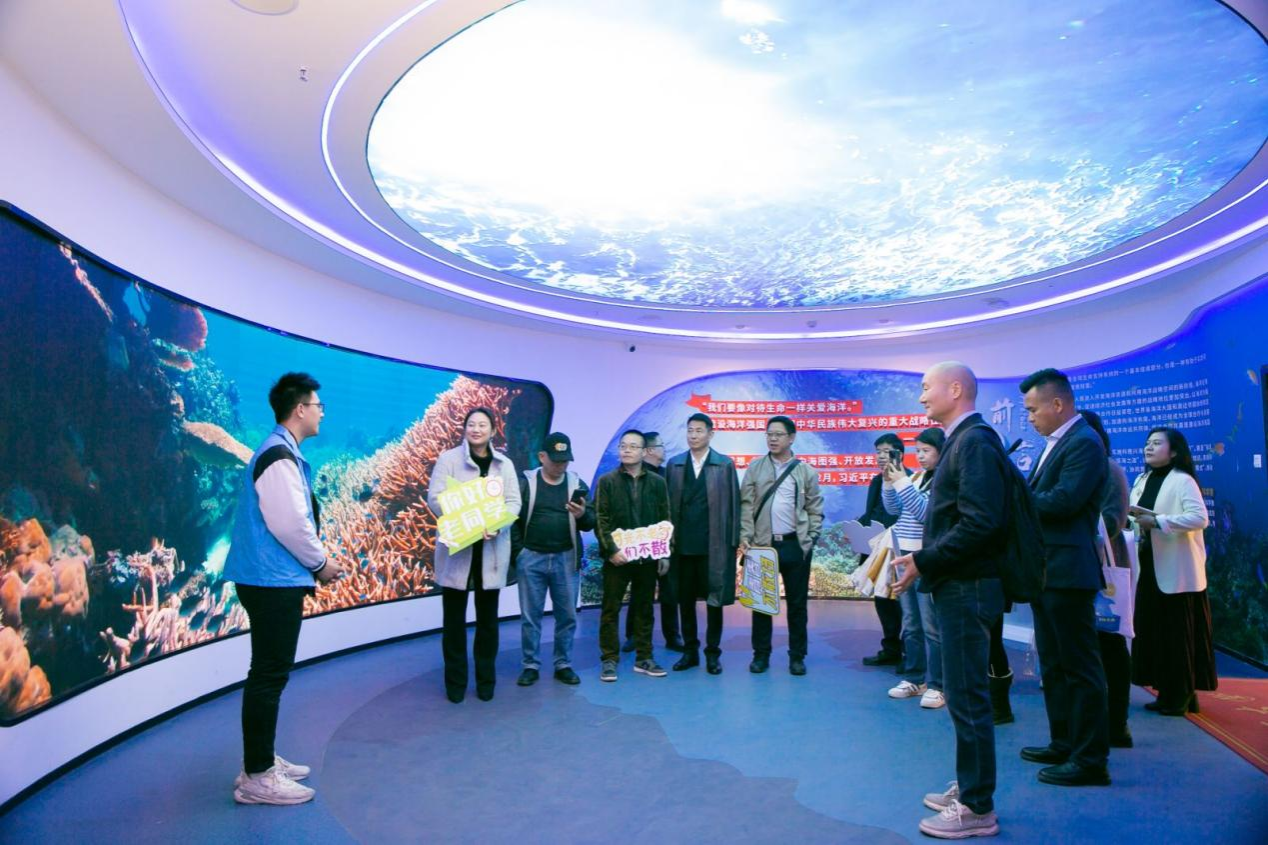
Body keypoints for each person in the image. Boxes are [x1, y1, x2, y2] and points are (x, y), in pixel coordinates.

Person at [891, 362, 1007, 839]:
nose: (921, 397)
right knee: (961, 695)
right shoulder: (964, 440)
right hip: (959, 583)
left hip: (968, 586)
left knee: (968, 696)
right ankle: (972, 786)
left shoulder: (974, 442)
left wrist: (925, 559)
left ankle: (978, 807)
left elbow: (981, 523)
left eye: (926, 388)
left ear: (955, 389)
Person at [224, 372, 344, 806]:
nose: (322, 413)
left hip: (269, 579)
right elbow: (290, 523)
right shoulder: (278, 456)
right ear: (299, 409)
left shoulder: (281, 451)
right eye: (318, 405)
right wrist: (321, 564)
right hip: (270, 581)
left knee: (268, 673)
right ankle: (258, 777)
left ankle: (260, 761)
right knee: (269, 676)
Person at [1017, 368, 1111, 788]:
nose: (1030, 418)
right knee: (1054, 665)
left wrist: (1015, 502)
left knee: (1080, 667)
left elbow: (1065, 500)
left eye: (1033, 409)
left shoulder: (1084, 442)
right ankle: (1064, 741)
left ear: (1057, 404)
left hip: (1069, 571)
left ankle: (1090, 760)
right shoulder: (1055, 444)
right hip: (1047, 570)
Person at [428, 407, 521, 704]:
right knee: (453, 622)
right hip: (457, 549)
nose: (476, 429)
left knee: (488, 623)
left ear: (493, 431)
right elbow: (434, 498)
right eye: (471, 424)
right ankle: (455, 683)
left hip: (491, 551)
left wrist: (498, 523)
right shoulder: (448, 459)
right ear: (464, 428)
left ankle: (485, 681)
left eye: (483, 425)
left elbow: (514, 502)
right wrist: (463, 515)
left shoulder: (504, 464)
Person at [1129, 426, 1217, 715]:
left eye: (1157, 443)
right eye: (1147, 443)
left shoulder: (1183, 480)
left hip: (1178, 571)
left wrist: (1159, 522)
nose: (1149, 448)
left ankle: (1180, 694)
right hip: (1149, 567)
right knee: (1157, 632)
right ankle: (1171, 691)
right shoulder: (1141, 479)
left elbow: (1199, 518)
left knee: (1178, 635)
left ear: (1175, 451)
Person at [738, 415, 824, 676]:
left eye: (778, 434)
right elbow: (746, 506)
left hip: (794, 545)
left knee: (797, 605)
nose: (772, 439)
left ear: (791, 438)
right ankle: (761, 655)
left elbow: (815, 507)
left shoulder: (805, 471)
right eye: (769, 434)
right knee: (761, 604)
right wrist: (746, 536)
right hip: (762, 545)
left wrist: (810, 538)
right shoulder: (755, 468)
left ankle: (797, 656)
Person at [510, 432, 595, 687]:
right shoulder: (526, 483)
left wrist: (582, 515)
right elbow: (512, 519)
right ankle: (530, 665)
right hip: (531, 559)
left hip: (566, 558)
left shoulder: (577, 484)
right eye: (556, 460)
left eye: (565, 460)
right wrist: (519, 553)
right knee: (531, 617)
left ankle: (563, 664)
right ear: (542, 456)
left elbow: (590, 522)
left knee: (567, 616)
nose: (561, 465)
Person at [593, 429, 671, 682]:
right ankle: (609, 659)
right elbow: (600, 519)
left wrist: (664, 553)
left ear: (644, 452)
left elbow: (665, 519)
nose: (626, 450)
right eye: (623, 446)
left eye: (633, 446)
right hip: (616, 559)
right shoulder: (607, 481)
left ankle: (644, 657)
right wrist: (611, 551)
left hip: (647, 558)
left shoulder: (657, 483)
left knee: (645, 608)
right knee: (610, 609)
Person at [666, 413, 741, 675]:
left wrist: (734, 542)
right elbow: (667, 508)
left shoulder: (724, 465)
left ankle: (712, 653)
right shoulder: (675, 464)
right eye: (690, 430)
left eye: (699, 431)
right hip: (682, 546)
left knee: (714, 601)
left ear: (711, 434)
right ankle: (690, 652)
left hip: (714, 546)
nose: (693, 435)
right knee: (685, 601)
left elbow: (734, 506)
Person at [1081, 410, 1135, 748]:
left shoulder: (1110, 470)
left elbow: (1112, 520)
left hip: (1104, 567)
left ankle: (1118, 723)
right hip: (1079, 569)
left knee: (1112, 646)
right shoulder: (1077, 468)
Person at [882, 427, 946, 708]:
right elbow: (894, 510)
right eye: (917, 450)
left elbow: (924, 514)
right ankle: (915, 678)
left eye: (926, 451)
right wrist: (889, 482)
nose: (920, 456)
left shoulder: (943, 480)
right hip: (903, 557)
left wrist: (901, 483)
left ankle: (938, 685)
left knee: (932, 626)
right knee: (910, 624)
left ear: (941, 452)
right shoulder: (917, 478)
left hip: (925, 559)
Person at [621, 431, 683, 652]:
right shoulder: (633, 475)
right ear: (649, 450)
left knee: (670, 594)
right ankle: (633, 636)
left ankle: (673, 636)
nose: (664, 450)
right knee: (640, 593)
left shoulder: (669, 475)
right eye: (661, 446)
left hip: (666, 543)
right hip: (641, 543)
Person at [860, 434, 906, 669]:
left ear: (899, 454)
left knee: (903, 603)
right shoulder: (877, 481)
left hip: (898, 551)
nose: (880, 456)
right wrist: (857, 527)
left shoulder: (909, 480)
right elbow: (872, 512)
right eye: (878, 451)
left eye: (886, 451)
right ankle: (891, 649)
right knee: (882, 600)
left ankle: (910, 653)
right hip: (877, 549)